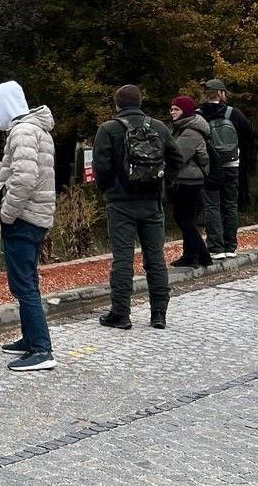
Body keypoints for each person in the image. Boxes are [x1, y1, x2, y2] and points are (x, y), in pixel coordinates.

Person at [92, 84, 181, 331]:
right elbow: (176, 158)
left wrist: (108, 189)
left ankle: (120, 314)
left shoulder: (108, 129)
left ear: (117, 104)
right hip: (152, 202)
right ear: (140, 103)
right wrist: (164, 184)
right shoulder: (159, 127)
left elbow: (101, 166)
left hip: (120, 203)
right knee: (155, 257)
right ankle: (159, 314)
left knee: (123, 259)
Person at [0, 80, 57, 373]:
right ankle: (31, 338)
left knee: (23, 284)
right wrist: (1, 169)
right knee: (28, 282)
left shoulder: (22, 131)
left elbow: (26, 180)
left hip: (24, 219)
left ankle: (41, 349)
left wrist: (7, 213)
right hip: (35, 216)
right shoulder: (34, 129)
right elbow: (27, 171)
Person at [198, 79, 253, 259]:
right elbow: (249, 134)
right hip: (231, 164)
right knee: (230, 204)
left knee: (212, 205)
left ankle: (215, 247)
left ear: (206, 94)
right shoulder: (233, 113)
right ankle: (231, 246)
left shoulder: (199, 114)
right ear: (222, 93)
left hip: (210, 167)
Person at [167, 95, 213, 269]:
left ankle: (202, 254)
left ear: (185, 111)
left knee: (184, 218)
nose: (172, 112)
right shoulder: (184, 128)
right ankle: (191, 256)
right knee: (186, 218)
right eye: (171, 109)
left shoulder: (190, 132)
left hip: (189, 181)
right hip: (188, 180)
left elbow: (177, 157)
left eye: (176, 109)